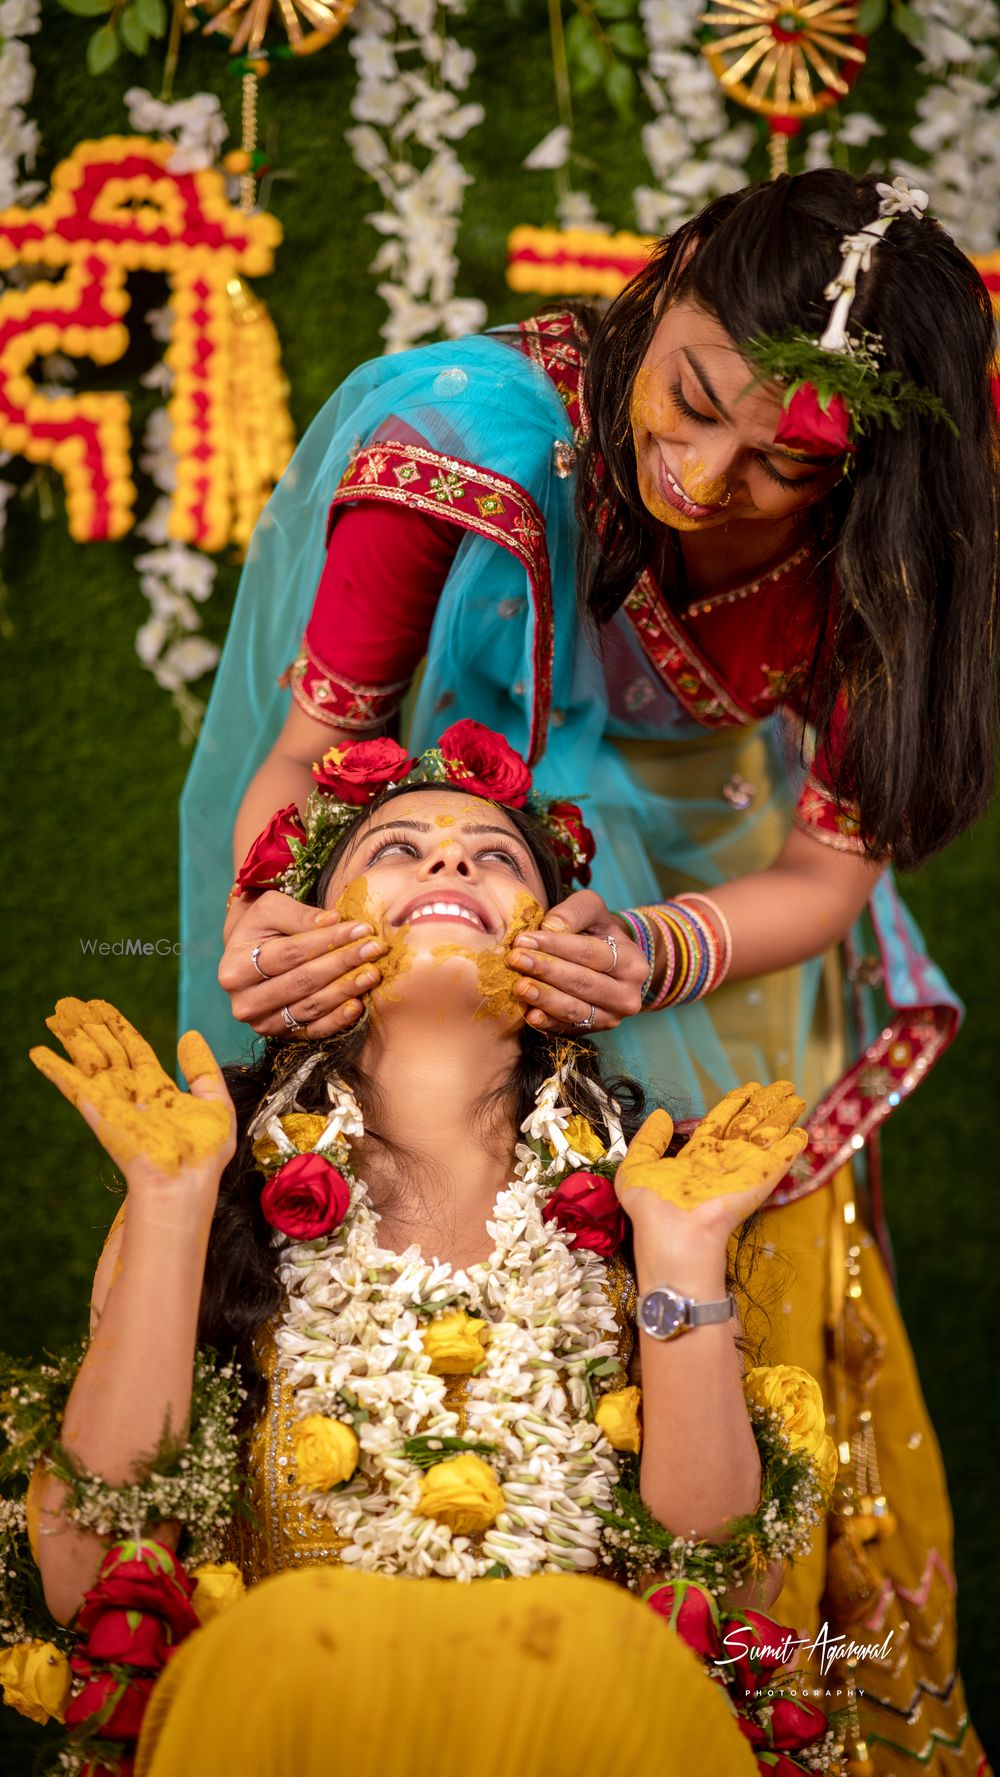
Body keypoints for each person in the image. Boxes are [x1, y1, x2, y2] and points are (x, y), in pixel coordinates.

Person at [186, 171, 994, 1773]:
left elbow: (829, 871)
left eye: (786, 467)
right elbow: (313, 752)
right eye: (690, 401)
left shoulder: (886, 546)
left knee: (743, 1301)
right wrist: (271, 908)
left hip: (709, 910)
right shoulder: (463, 447)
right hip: (444, 893)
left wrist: (649, 945)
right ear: (671, 264)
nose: (701, 477)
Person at [20, 731, 839, 1777]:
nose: (451, 860)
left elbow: (724, 1602)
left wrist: (679, 1259)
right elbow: (83, 1575)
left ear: (568, 947)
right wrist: (170, 1205)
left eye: (500, 858)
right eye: (396, 849)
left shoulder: (645, 1195)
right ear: (309, 936)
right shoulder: (209, 1177)